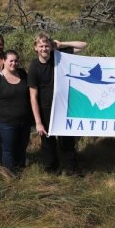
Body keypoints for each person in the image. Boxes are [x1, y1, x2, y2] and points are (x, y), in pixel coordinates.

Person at [28, 32, 87, 175]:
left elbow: (83, 45)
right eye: (41, 46)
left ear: (51, 46)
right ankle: (51, 169)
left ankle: (72, 168)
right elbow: (33, 96)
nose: (44, 49)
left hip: (63, 106)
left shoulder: (59, 56)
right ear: (35, 48)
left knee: (67, 138)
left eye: (46, 46)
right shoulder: (34, 67)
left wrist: (61, 44)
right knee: (48, 140)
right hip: (45, 109)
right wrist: (38, 122)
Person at [0, 50, 32, 173]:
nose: (14, 63)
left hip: (24, 122)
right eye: (11, 61)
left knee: (22, 148)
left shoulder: (23, 74)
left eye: (16, 61)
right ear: (4, 61)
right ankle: (10, 175)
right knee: (8, 150)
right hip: (5, 124)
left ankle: (20, 171)